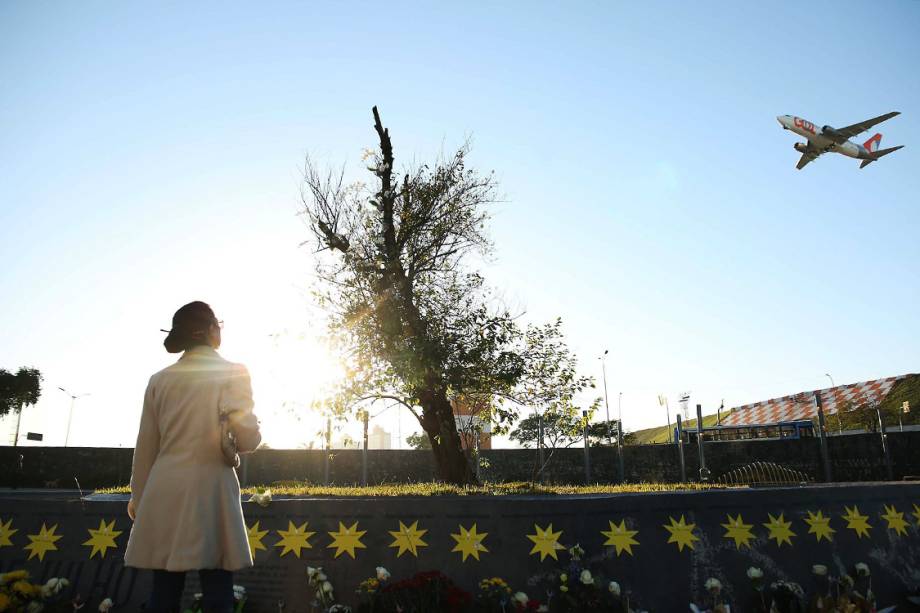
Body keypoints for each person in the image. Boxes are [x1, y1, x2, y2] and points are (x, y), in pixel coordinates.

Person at [124, 301, 261, 613]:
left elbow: (146, 447)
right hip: (211, 489)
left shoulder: (159, 380)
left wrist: (139, 499)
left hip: (164, 489)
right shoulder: (234, 372)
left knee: (165, 591)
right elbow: (248, 439)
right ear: (212, 329)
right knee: (217, 590)